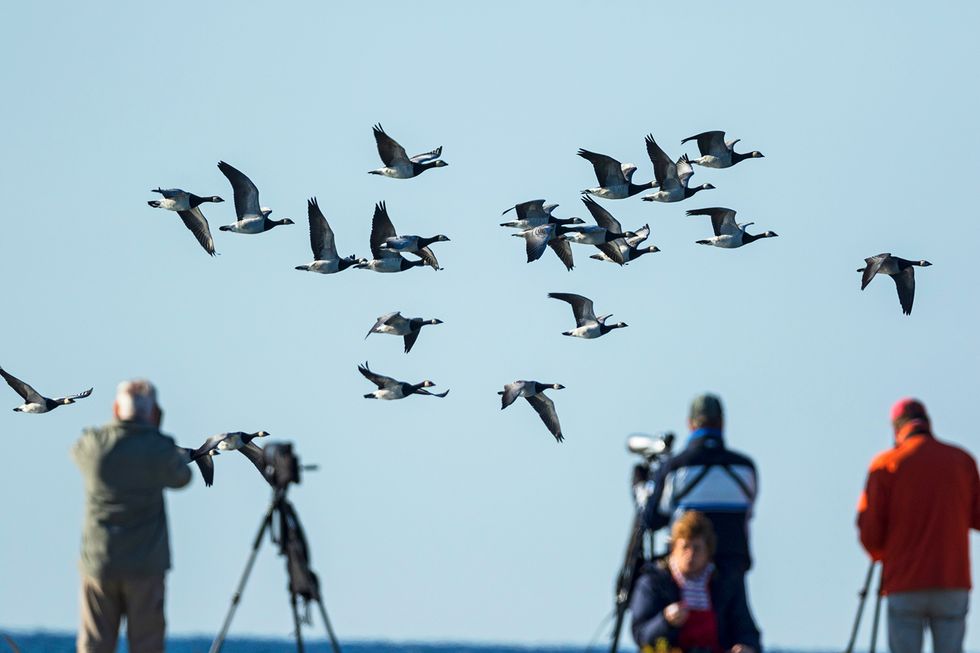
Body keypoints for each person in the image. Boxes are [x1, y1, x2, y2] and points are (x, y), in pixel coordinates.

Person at [72, 379, 192, 653]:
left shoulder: (95, 445)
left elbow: (77, 452)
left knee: (95, 645)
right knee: (147, 645)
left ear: (115, 408)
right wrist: (154, 433)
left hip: (100, 562)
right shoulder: (158, 449)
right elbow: (182, 477)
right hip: (146, 565)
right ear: (153, 414)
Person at [856, 397, 980, 653]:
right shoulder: (962, 461)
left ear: (896, 428)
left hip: (904, 582)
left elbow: (870, 530)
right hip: (952, 580)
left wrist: (881, 555)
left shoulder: (886, 464)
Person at [642, 394, 758, 603]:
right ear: (722, 423)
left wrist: (641, 489)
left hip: (686, 580)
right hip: (732, 573)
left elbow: (651, 520)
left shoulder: (676, 468)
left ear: (689, 423)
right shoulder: (745, 469)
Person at [631, 510, 761, 653]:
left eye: (697, 548)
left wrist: (747, 647)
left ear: (708, 552)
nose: (690, 554)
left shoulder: (725, 582)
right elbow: (641, 635)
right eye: (685, 547)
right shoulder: (653, 582)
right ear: (673, 548)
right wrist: (665, 621)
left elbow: (747, 631)